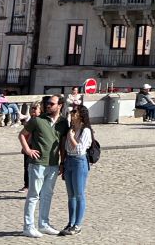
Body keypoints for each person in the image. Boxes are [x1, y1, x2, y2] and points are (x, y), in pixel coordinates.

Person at [19, 95, 67, 238]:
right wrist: (28, 150)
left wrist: (62, 162)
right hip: (37, 164)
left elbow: (62, 145)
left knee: (47, 195)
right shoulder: (37, 120)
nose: (48, 106)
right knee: (33, 196)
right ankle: (28, 227)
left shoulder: (63, 123)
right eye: (47, 103)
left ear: (60, 106)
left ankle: (44, 224)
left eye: (52, 104)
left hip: (53, 165)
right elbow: (22, 135)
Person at [60, 103, 94, 236]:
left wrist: (71, 136)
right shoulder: (72, 129)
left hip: (79, 162)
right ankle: (71, 222)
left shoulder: (85, 131)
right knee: (71, 195)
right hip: (69, 161)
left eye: (75, 112)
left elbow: (79, 149)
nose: (72, 114)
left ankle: (78, 224)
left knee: (79, 194)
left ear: (81, 115)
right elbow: (67, 148)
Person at [21, 101, 41, 191]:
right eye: (31, 108)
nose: (32, 110)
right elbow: (24, 135)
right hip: (28, 146)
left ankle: (35, 187)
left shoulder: (40, 121)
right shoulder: (29, 120)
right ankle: (27, 185)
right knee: (27, 166)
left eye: (35, 108)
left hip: (37, 146)